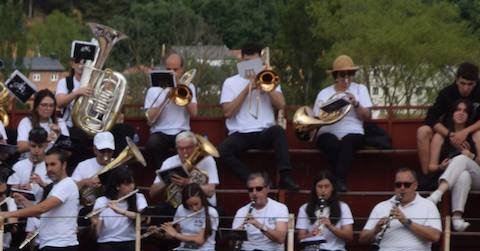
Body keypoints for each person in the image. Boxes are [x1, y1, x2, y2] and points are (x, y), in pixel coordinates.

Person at [217, 42, 298, 190]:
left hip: (263, 131)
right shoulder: (230, 82)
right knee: (223, 150)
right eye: (247, 62)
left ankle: (285, 176)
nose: (250, 65)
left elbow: (281, 105)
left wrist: (267, 88)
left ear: (260, 60)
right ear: (241, 60)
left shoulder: (269, 77)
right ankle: (252, 180)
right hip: (240, 133)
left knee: (278, 131)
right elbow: (227, 112)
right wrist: (247, 89)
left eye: (254, 62)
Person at [417, 62, 480, 188]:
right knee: (423, 131)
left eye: (470, 84)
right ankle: (427, 177)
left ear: (476, 82)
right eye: (462, 83)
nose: (466, 88)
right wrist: (450, 134)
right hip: (449, 133)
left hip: (475, 133)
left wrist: (466, 131)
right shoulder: (447, 93)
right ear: (456, 80)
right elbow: (431, 118)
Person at [352, 167, 441, 251]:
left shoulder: (428, 205)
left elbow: (434, 236)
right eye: (398, 185)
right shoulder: (382, 206)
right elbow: (362, 239)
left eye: (407, 184)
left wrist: (406, 222)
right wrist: (376, 229)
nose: (402, 188)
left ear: (415, 185)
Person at [8, 147, 81, 251]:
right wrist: (24, 201)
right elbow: (42, 213)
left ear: (64, 165)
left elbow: (42, 209)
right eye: (47, 165)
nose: (49, 169)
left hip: (60, 246)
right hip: (52, 245)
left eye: (53, 164)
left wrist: (9, 214)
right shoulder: (57, 186)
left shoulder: (66, 184)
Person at [308, 55, 372, 193]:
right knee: (331, 142)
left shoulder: (360, 89)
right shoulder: (324, 93)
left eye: (350, 73)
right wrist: (330, 110)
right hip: (328, 131)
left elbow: (366, 116)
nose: (346, 77)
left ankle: (336, 181)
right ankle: (339, 182)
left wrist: (355, 103)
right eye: (343, 74)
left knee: (347, 142)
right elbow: (316, 118)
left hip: (354, 132)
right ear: (336, 76)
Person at [426, 98, 480, 232]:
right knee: (463, 175)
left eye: (465, 111)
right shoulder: (440, 136)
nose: (461, 113)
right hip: (453, 179)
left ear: (469, 115)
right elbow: (430, 167)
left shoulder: (477, 134)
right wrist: (440, 167)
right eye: (458, 110)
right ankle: (457, 218)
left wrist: (470, 156)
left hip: (477, 178)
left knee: (461, 159)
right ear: (452, 113)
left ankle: (437, 194)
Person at [293, 170, 354, 251]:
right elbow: (300, 237)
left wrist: (330, 227)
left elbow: (349, 236)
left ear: (332, 188)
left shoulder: (343, 207)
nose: (323, 190)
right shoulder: (305, 208)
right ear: (315, 188)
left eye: (326, 186)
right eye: (319, 187)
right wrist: (310, 235)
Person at [143, 51, 196, 169]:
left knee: (189, 145)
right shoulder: (154, 89)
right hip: (160, 131)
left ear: (182, 69)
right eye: (168, 69)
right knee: (153, 144)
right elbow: (149, 121)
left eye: (175, 70)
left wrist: (180, 90)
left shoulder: (189, 87)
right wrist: (166, 97)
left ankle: (186, 175)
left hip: (181, 130)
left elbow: (194, 113)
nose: (172, 73)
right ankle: (164, 176)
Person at [231, 171, 289, 251]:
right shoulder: (242, 211)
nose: (254, 193)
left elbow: (280, 238)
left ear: (267, 189)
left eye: (258, 189)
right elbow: (232, 242)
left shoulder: (280, 208)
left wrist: (259, 225)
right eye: (250, 190)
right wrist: (237, 235)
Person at [89, 172, 145, 251]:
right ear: (118, 186)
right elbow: (97, 233)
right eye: (128, 184)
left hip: (130, 241)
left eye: (132, 183)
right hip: (107, 241)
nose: (132, 186)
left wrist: (118, 210)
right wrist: (95, 221)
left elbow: (140, 217)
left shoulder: (138, 197)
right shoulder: (102, 201)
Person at [149, 130, 218, 215]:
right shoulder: (169, 162)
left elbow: (211, 191)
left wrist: (189, 183)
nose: (184, 152)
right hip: (177, 206)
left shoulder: (207, 160)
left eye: (188, 148)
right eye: (181, 148)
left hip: (203, 205)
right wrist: (167, 180)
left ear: (195, 146)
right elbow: (152, 192)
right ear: (176, 148)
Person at [157, 182, 218, 251]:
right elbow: (176, 233)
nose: (194, 208)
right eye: (190, 205)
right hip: (185, 248)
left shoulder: (211, 213)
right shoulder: (181, 209)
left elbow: (199, 240)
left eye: (196, 204)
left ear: (202, 198)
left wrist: (175, 234)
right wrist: (162, 233)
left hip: (205, 250)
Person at [16, 90, 64, 159]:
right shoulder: (26, 122)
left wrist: (60, 137)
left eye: (51, 106)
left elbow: (67, 153)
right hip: (29, 161)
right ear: (36, 107)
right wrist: (43, 140)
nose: (48, 108)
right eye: (44, 105)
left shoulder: (60, 122)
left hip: (51, 163)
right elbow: (20, 147)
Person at [9, 127, 51, 203]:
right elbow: (12, 195)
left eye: (40, 146)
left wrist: (42, 184)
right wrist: (21, 192)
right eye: (33, 146)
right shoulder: (18, 166)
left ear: (46, 145)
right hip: (21, 208)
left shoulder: (51, 166)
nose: (36, 151)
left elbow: (56, 192)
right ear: (28, 144)